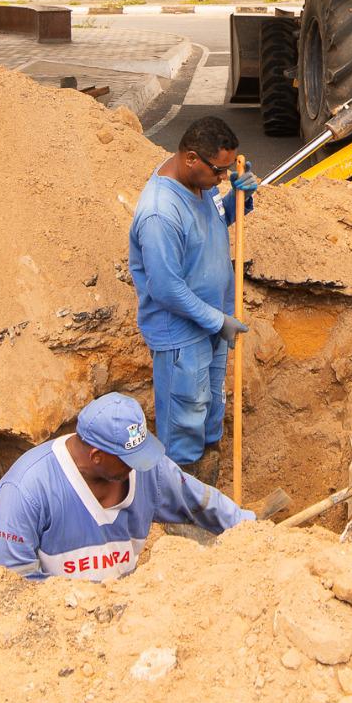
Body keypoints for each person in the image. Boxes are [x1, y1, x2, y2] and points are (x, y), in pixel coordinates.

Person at [0, 392, 252, 581]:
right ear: (96, 456)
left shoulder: (148, 470)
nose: (139, 466)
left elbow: (202, 503)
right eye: (130, 460)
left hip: (127, 616)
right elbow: (15, 585)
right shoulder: (25, 491)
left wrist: (253, 531)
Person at [126, 115, 257, 470]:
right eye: (219, 170)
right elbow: (166, 289)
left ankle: (207, 467)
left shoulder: (202, 184)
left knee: (210, 400)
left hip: (212, 323)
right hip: (182, 334)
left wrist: (238, 200)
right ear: (190, 158)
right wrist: (218, 321)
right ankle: (182, 497)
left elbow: (214, 220)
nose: (222, 179)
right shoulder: (160, 213)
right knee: (185, 412)